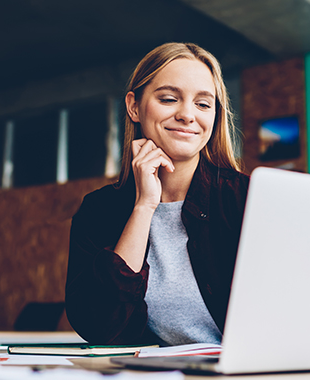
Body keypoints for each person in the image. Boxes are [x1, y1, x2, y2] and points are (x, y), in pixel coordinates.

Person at [65, 42, 249, 346]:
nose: (188, 115)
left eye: (203, 104)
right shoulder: (99, 210)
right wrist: (144, 206)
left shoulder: (245, 199)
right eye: (168, 98)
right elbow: (99, 327)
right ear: (134, 106)